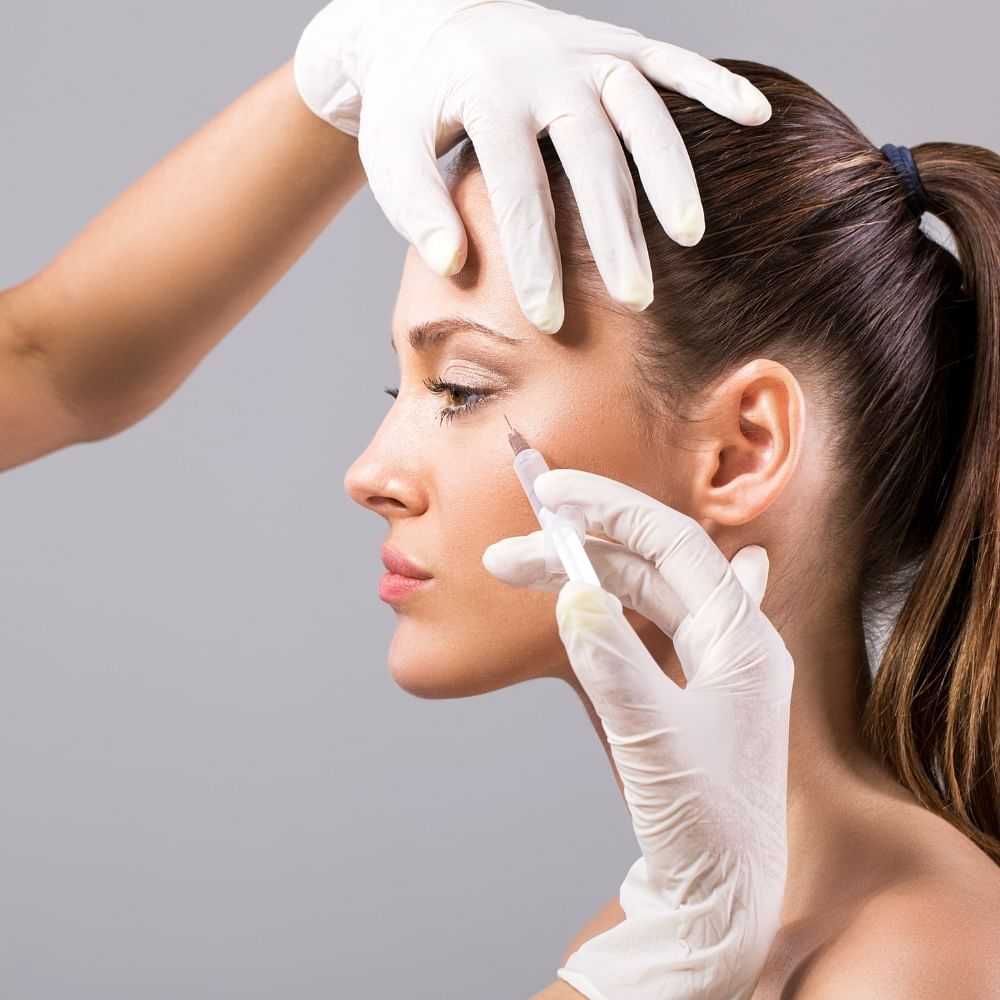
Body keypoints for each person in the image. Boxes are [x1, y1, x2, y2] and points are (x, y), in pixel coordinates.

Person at [344, 54, 1000, 1000]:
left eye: (461, 389)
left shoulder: (912, 964)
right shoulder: (646, 932)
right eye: (400, 389)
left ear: (741, 449)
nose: (371, 474)